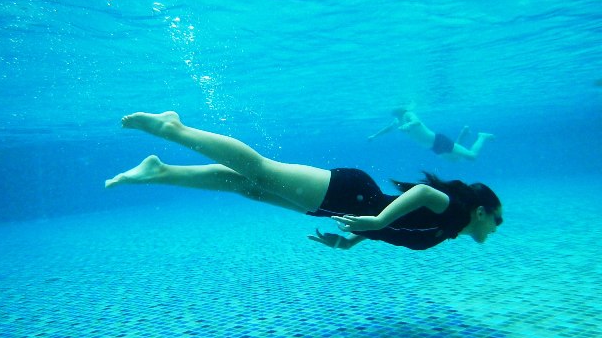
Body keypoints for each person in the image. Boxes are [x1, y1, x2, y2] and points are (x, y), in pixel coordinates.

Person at [105, 111, 503, 251]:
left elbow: (399, 224)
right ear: (481, 211)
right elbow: (423, 193)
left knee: (248, 187)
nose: (495, 227)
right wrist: (377, 222)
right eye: (496, 219)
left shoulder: (447, 231)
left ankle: (160, 172)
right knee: (260, 170)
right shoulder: (452, 211)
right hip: (351, 192)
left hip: (343, 208)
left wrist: (350, 241)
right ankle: (173, 129)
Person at [368, 106, 495, 161]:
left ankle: (482, 136)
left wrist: (408, 125)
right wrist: (374, 136)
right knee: (455, 159)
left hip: (438, 141)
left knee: (471, 156)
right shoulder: (398, 120)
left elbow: (416, 121)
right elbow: (388, 128)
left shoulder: (407, 114)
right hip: (432, 146)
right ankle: (464, 133)